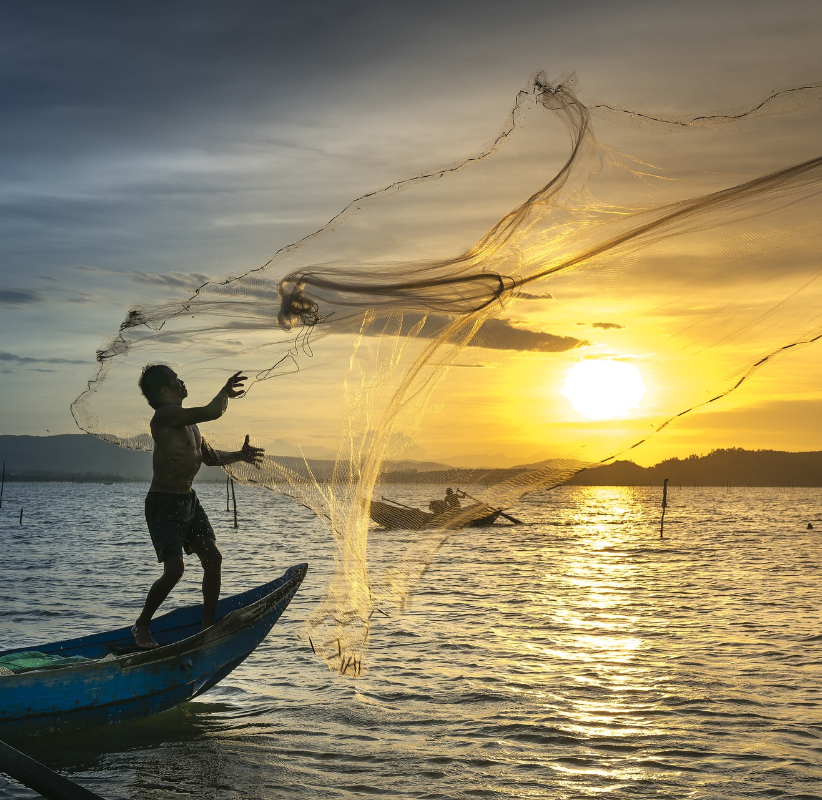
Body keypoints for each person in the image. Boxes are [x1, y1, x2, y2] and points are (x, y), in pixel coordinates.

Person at [132, 364, 264, 649]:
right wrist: (225, 392)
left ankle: (207, 626)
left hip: (188, 501)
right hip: (164, 503)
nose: (182, 381)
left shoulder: (190, 424)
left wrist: (239, 455)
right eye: (176, 379)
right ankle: (142, 624)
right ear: (165, 390)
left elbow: (211, 459)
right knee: (175, 570)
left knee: (213, 559)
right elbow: (213, 411)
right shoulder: (165, 416)